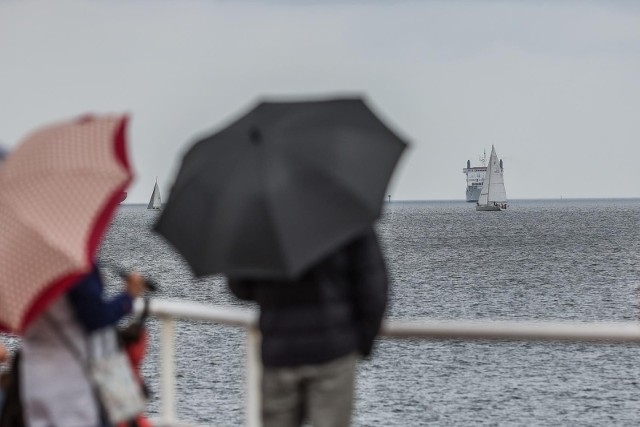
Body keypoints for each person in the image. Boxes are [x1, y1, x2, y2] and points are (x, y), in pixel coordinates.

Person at [228, 226, 388, 427]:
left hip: (279, 350)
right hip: (333, 350)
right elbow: (373, 291)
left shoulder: (257, 222)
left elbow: (240, 287)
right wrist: (361, 345)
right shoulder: (348, 217)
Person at [20, 265, 147, 427]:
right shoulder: (75, 266)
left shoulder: (19, 272)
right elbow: (96, 316)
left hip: (34, 376)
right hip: (72, 379)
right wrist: (128, 297)